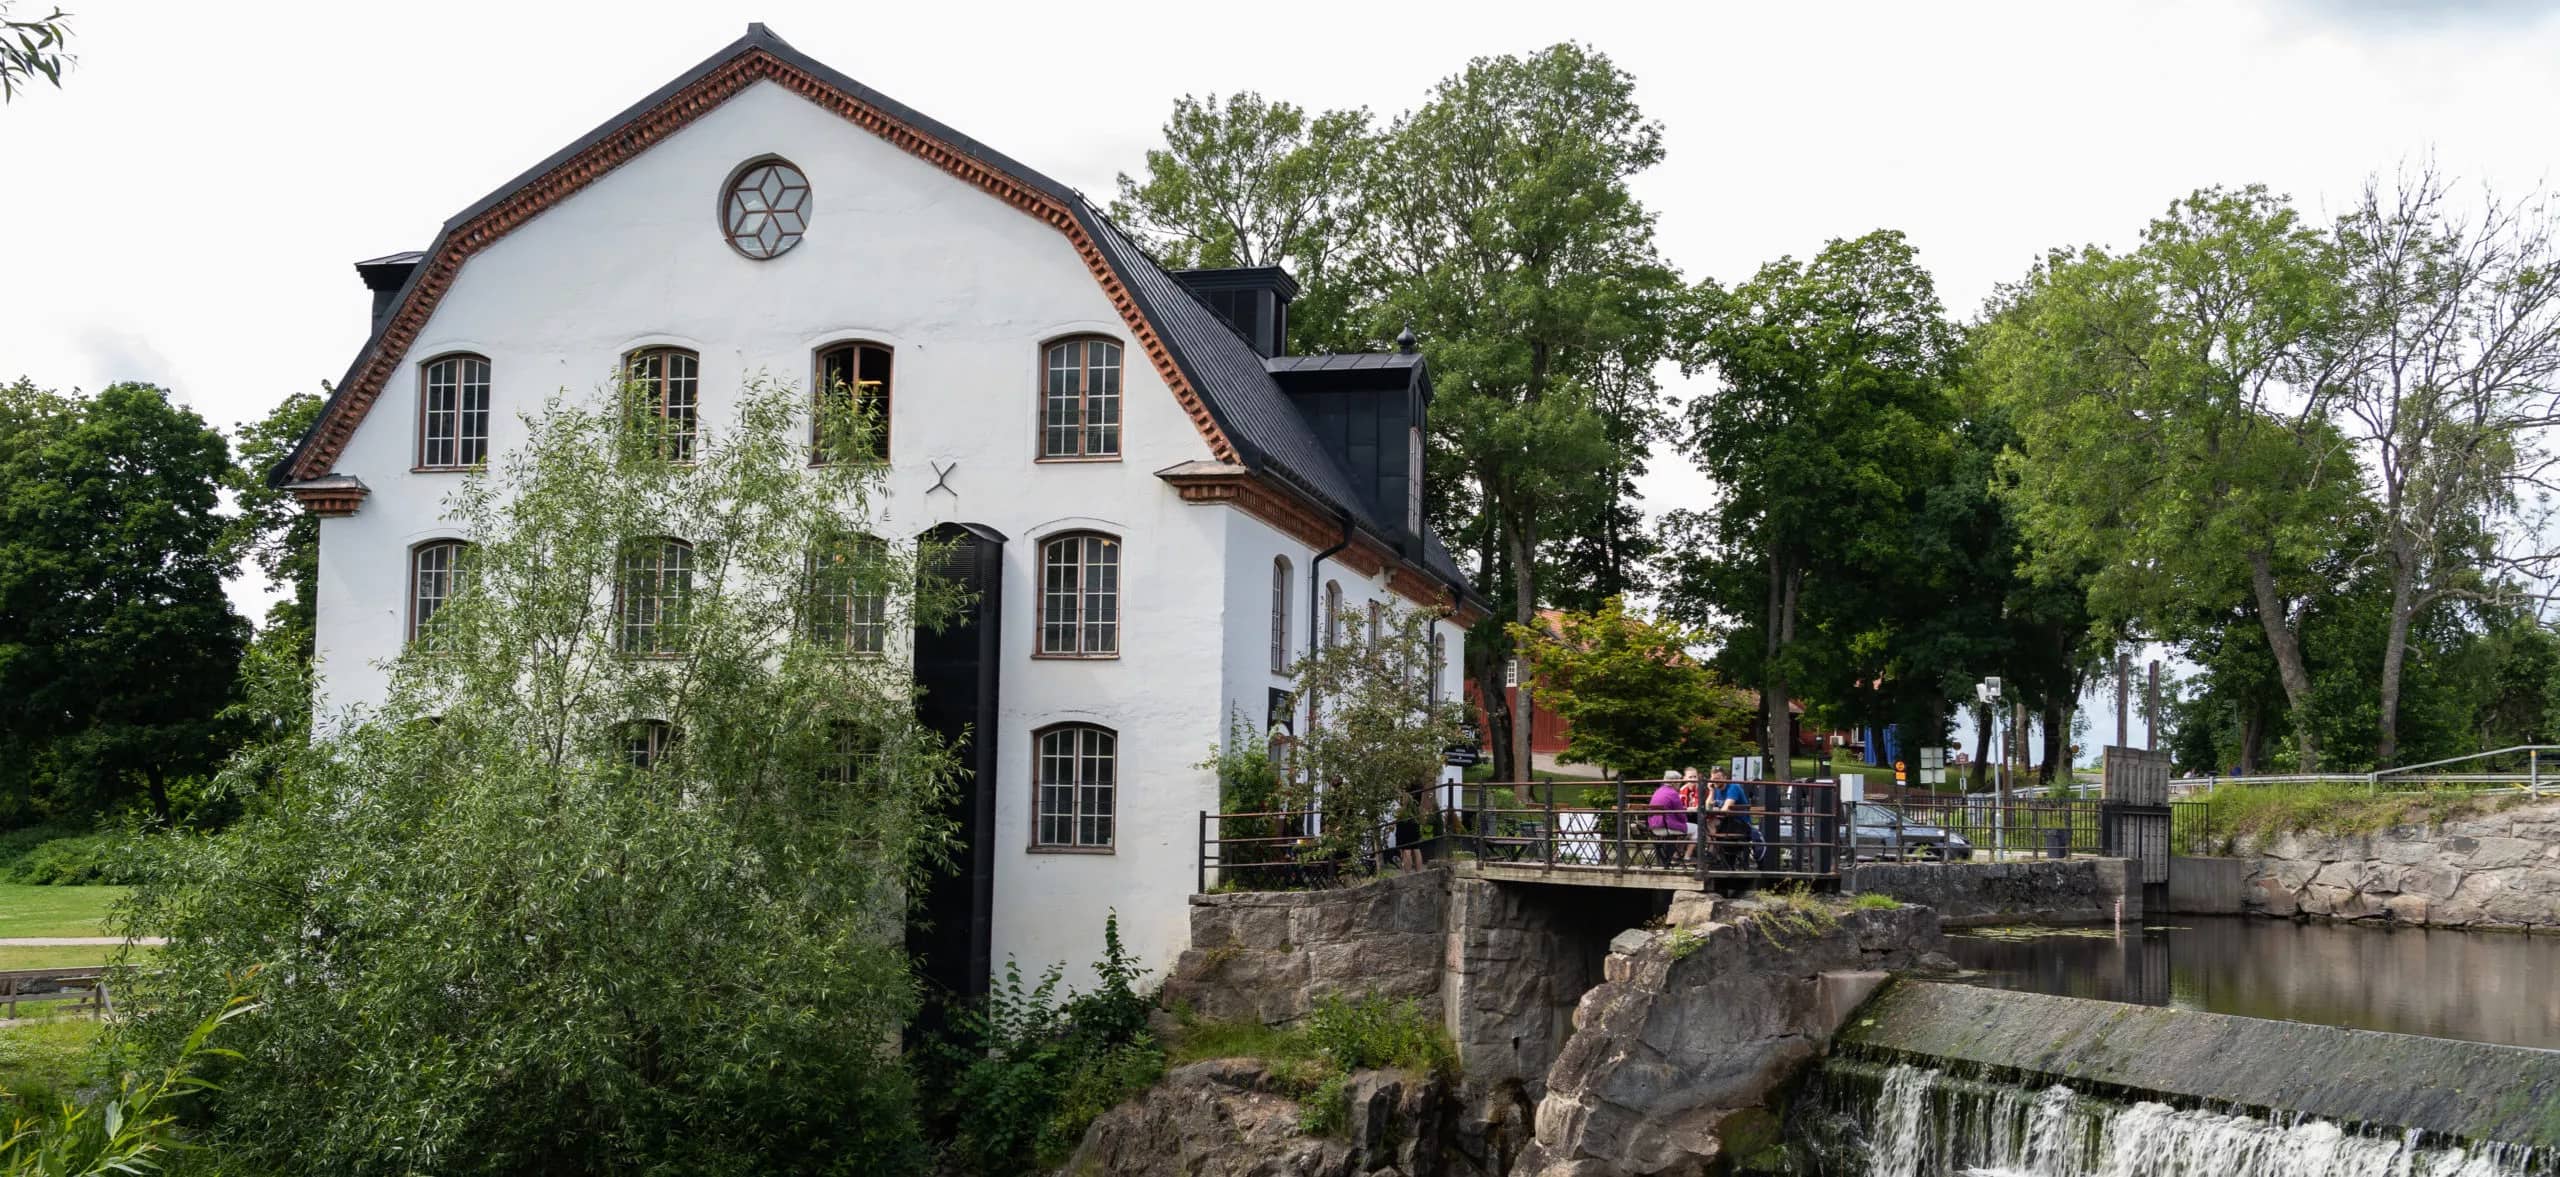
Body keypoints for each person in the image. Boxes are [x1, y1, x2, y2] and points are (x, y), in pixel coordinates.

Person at [1645, 774, 1687, 866]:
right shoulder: (1673, 793)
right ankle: (1686, 858)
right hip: (1667, 827)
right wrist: (1685, 819)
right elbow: (1681, 814)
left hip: (1654, 827)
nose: (1680, 784)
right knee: (1696, 829)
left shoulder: (1658, 791)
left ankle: (1671, 858)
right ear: (1674, 782)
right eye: (1679, 782)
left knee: (1681, 832)